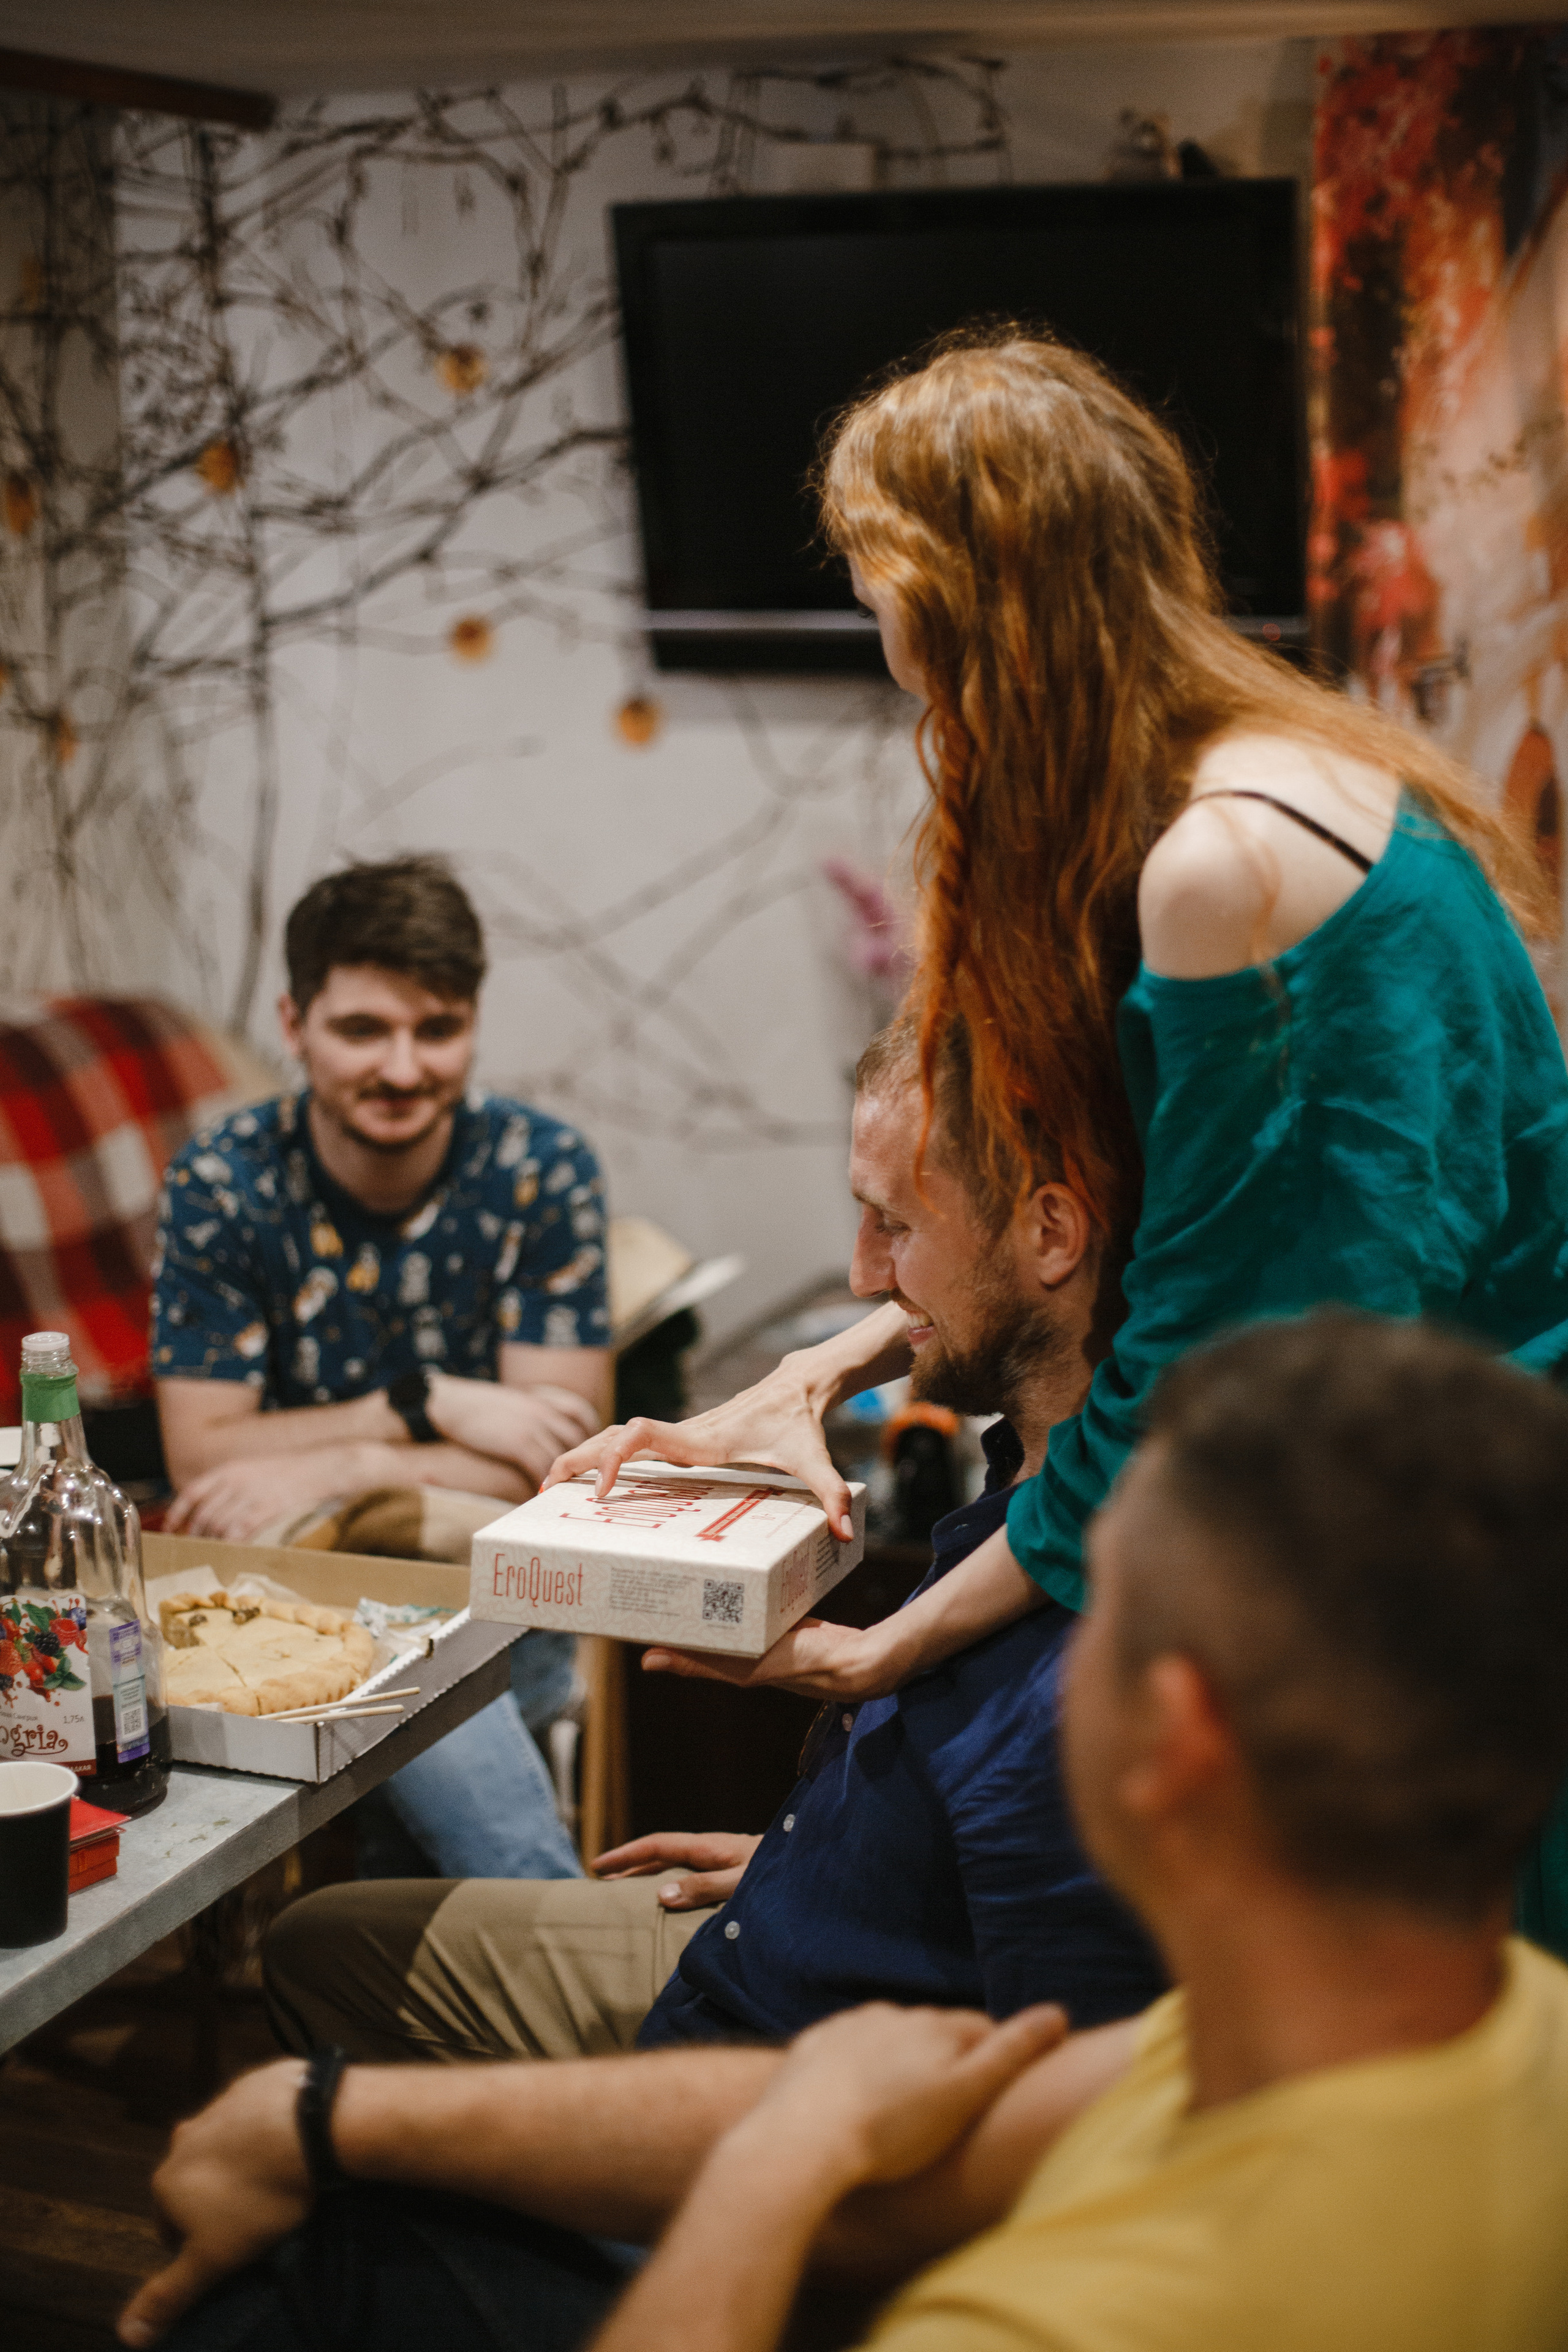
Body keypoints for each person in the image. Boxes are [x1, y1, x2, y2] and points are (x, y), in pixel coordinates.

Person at [548, 330, 1568, 1939]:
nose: (880, 635)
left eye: (884, 584)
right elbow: (1153, 1234)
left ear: (969, 597)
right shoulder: (1217, 785)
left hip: (1439, 1555)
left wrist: (892, 1645)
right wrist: (811, 1377)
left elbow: (1207, 1377)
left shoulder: (1227, 867)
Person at [117, 1313, 1568, 2352]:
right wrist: (323, 2114)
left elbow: (838, 2156)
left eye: (1093, 1609)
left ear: (1177, 1739)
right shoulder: (1479, 2025)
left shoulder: (1036, 2317)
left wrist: (783, 2159)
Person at [260, 1011, 1163, 2065]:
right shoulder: (1048, 1455)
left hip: (770, 2055)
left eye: (897, 1226)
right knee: (324, 1942)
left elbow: (1045, 2093)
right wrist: (839, 1856)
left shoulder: (1080, 1674)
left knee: (307, 2074)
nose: (865, 1276)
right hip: (796, 1906)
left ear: (1054, 1235)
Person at [151, 853, 611, 1880]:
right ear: (294, 1022)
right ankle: (560, 1958)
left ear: (474, 1025)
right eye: (363, 1029)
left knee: (405, 1833)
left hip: (488, 1586)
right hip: (294, 1590)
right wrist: (427, 1405)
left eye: (436, 1029)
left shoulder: (543, 1170)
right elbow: (203, 1457)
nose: (403, 1068)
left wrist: (344, 1465)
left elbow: (572, 1468)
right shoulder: (223, 1181)